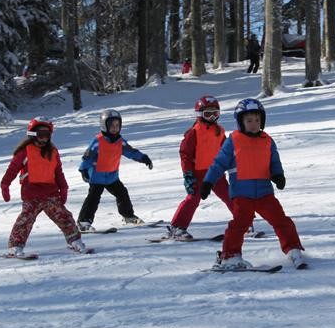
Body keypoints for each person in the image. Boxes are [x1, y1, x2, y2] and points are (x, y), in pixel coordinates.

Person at [200, 98, 306, 269]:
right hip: (242, 193)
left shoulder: (267, 140)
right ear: (241, 122)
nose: (254, 124)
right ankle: (230, 255)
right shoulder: (233, 140)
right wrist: (208, 182)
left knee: (282, 221)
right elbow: (219, 163)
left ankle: (293, 249)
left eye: (257, 120)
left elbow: (274, 161)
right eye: (249, 120)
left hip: (265, 192)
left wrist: (278, 175)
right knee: (239, 225)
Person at [0, 118, 89, 257]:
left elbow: (58, 172)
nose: (44, 138)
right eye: (41, 134)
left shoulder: (52, 151)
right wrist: (5, 184)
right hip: (31, 194)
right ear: (32, 134)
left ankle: (75, 240)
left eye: (47, 134)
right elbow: (12, 169)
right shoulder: (25, 151)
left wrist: (63, 188)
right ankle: (15, 246)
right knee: (25, 221)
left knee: (65, 217)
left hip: (50, 194)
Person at [164, 96, 235, 240]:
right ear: (199, 114)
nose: (212, 117)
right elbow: (185, 154)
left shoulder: (219, 131)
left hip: (216, 172)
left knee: (230, 195)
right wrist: (188, 174)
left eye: (215, 113)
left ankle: (244, 222)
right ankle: (177, 227)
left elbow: (226, 151)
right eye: (208, 114)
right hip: (198, 173)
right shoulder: (194, 132)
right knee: (193, 199)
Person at [77, 109, 153, 230]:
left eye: (117, 125)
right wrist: (83, 170)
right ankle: (83, 222)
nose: (115, 128)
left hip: (112, 176)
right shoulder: (98, 141)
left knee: (122, 193)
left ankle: (128, 216)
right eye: (111, 125)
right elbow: (87, 156)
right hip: (97, 176)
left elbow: (131, 151)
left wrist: (144, 158)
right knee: (93, 198)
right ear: (104, 125)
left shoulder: (120, 141)